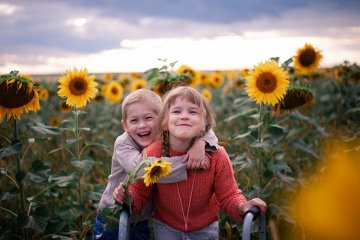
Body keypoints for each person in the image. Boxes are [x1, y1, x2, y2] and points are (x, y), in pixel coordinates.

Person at [113, 86, 267, 239]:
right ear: (164, 122)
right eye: (176, 111)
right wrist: (128, 197)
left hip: (205, 228)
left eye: (192, 112)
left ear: (204, 125)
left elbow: (229, 195)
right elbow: (140, 192)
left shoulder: (217, 156)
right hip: (166, 228)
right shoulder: (153, 153)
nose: (184, 116)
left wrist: (241, 205)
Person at [94, 88, 219, 240]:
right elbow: (144, 170)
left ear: (162, 120)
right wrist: (188, 161)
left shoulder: (162, 137)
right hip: (115, 216)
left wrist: (201, 143)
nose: (142, 125)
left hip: (142, 218)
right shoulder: (123, 144)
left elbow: (205, 129)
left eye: (148, 118)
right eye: (134, 120)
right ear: (125, 125)